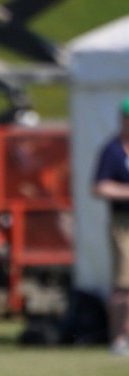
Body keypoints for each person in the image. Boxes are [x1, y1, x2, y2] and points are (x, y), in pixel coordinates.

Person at [92, 96, 129, 356]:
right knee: (123, 284)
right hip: (123, 223)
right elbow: (100, 186)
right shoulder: (113, 150)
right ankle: (119, 337)